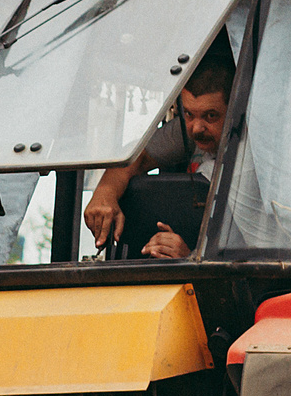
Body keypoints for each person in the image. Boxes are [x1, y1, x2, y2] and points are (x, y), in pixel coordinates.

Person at [84, 40, 234, 260]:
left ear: (234, 111)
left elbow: (251, 252)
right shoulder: (187, 132)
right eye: (189, 114)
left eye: (211, 116)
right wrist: (105, 193)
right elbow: (137, 158)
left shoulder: (252, 159)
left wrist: (188, 257)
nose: (197, 128)